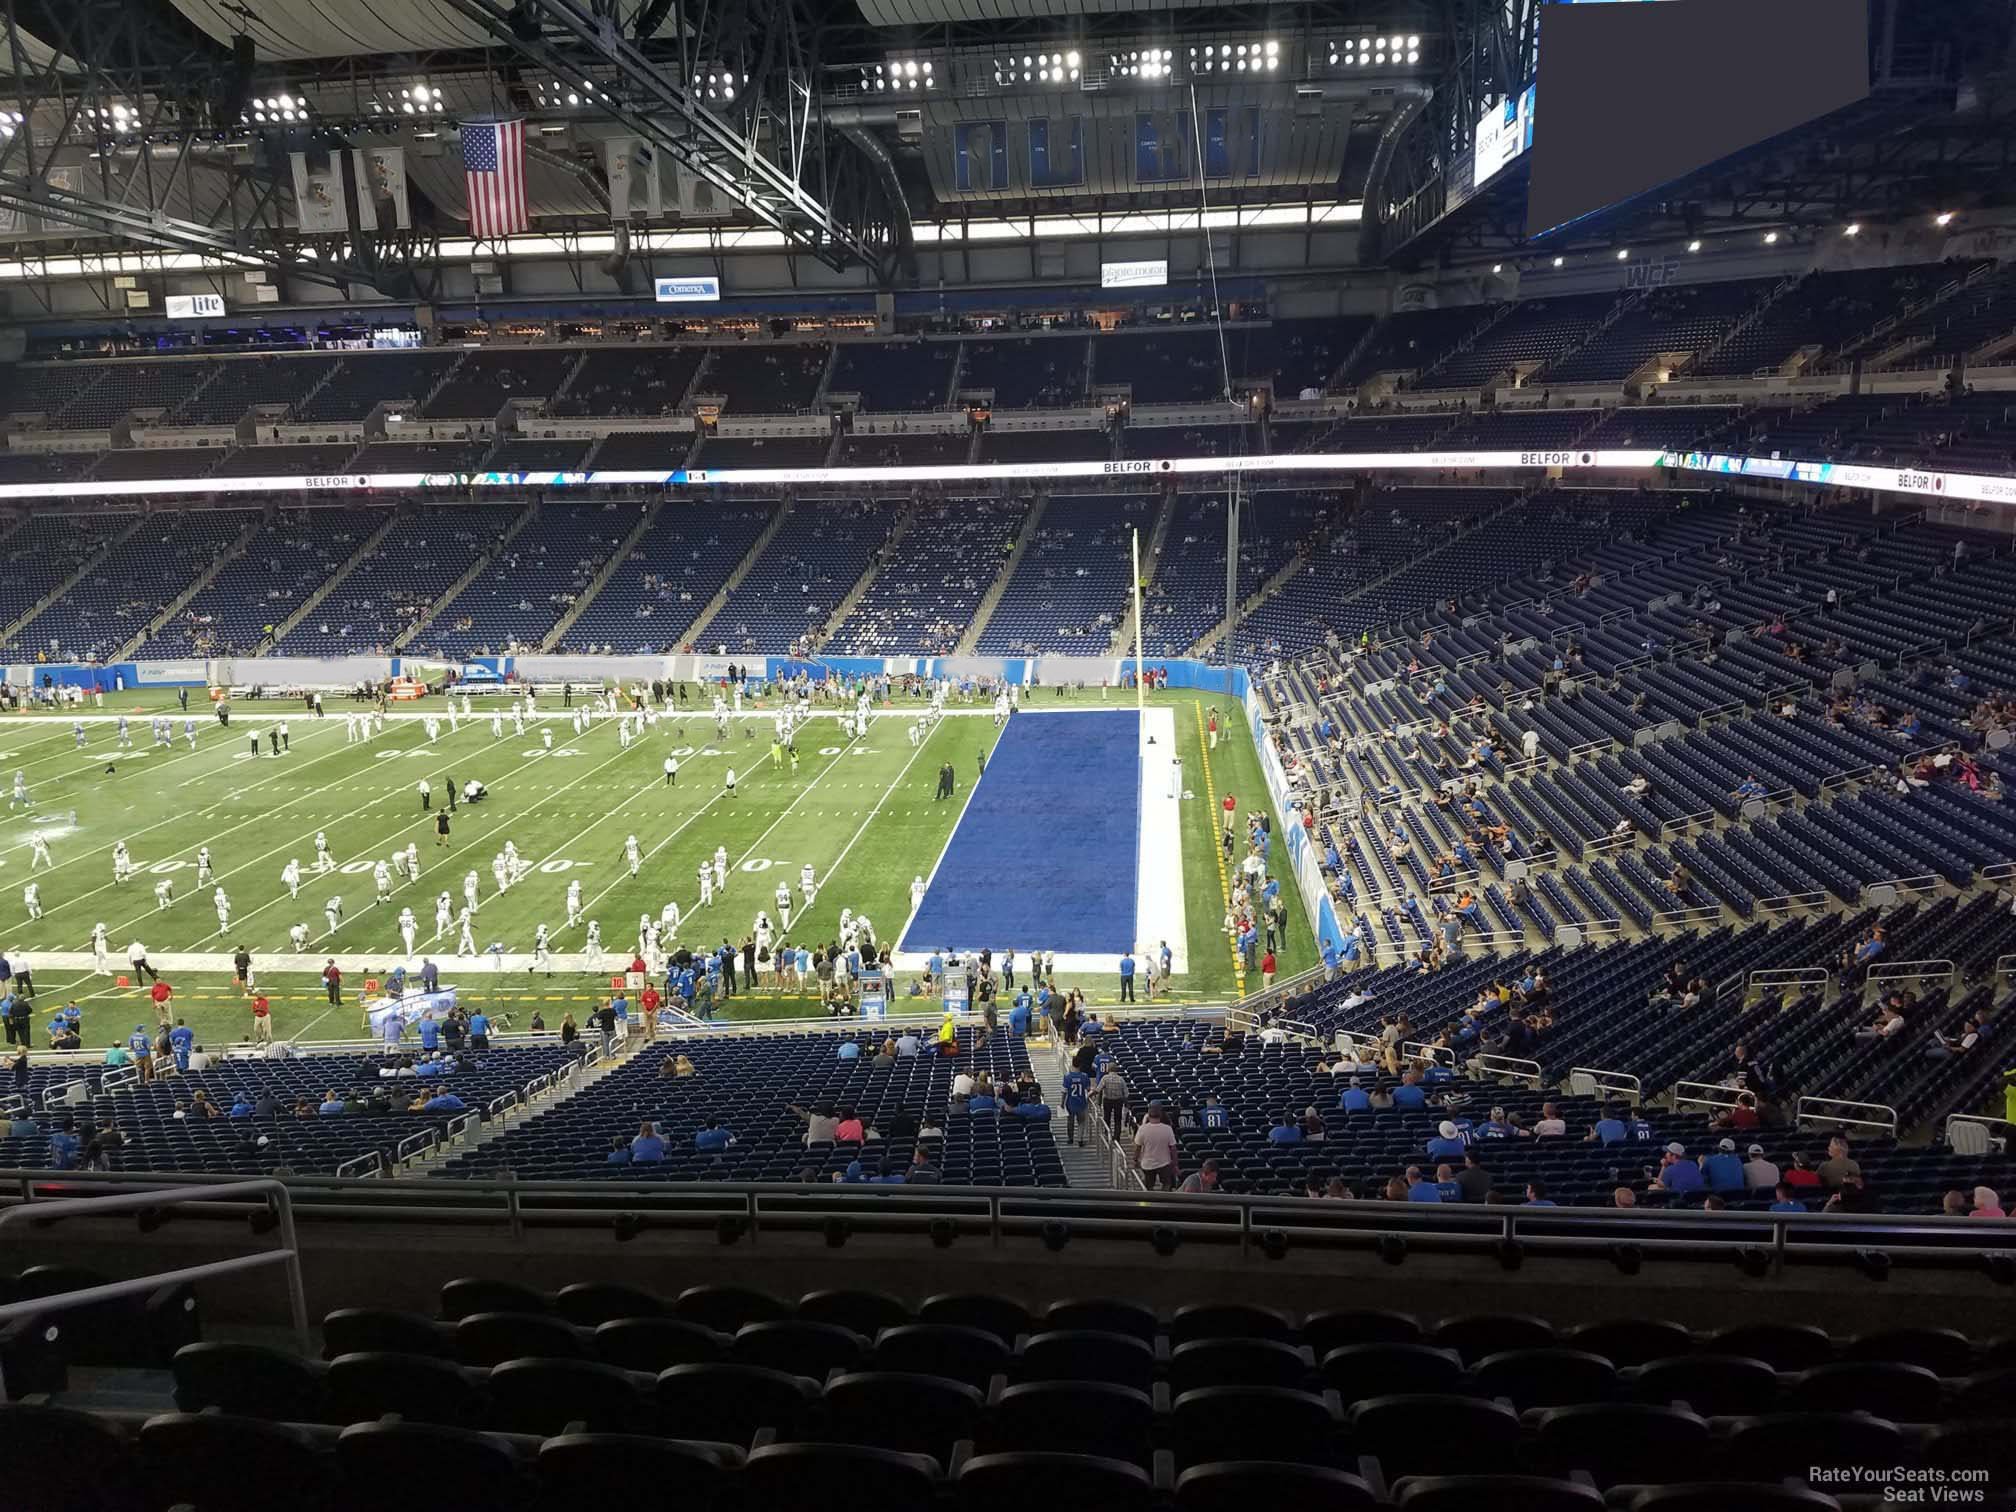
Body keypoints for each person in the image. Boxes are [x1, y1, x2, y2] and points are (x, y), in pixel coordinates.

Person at [1131, 1104, 1178, 1190]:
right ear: (1160, 1115)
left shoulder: (1142, 1129)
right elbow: (1173, 1148)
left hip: (1147, 1163)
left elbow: (1138, 1147)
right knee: (1167, 1184)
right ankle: (1163, 1199)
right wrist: (1175, 1164)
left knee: (1148, 1186)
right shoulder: (1167, 1129)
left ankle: (1150, 1200)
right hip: (1164, 1163)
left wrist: (1135, 1159)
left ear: (1148, 1115)